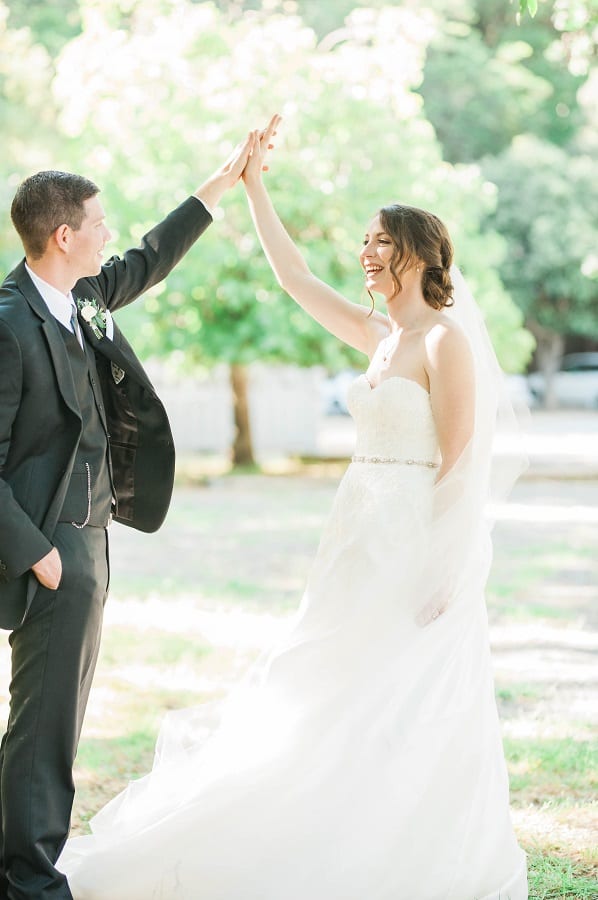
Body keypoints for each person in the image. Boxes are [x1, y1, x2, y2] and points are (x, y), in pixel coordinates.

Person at [58, 117, 529, 898]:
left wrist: (442, 569)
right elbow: (294, 279)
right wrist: (253, 185)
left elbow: (462, 458)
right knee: (328, 682)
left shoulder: (445, 342)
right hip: (356, 536)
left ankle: (394, 842)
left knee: (402, 695)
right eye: (365, 241)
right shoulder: (381, 337)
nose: (365, 253)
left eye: (380, 240)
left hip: (416, 542)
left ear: (417, 250)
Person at [0, 131, 259, 900]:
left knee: (60, 720)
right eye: (98, 223)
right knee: (41, 726)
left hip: (91, 545)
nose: (109, 234)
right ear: (63, 235)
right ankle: (29, 882)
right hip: (47, 553)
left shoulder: (82, 298)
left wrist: (217, 185)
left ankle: (23, 866)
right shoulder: (9, 322)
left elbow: (148, 258)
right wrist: (36, 553)